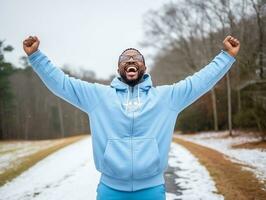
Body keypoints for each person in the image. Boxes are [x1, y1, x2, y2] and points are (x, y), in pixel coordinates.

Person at [23, 35, 240, 200]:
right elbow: (62, 83)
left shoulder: (166, 98)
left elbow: (199, 82)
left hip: (151, 190)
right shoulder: (99, 97)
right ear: (119, 68)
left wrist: (226, 56)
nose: (130, 59)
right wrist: (36, 56)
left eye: (136, 57)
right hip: (110, 190)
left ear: (144, 67)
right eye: (125, 58)